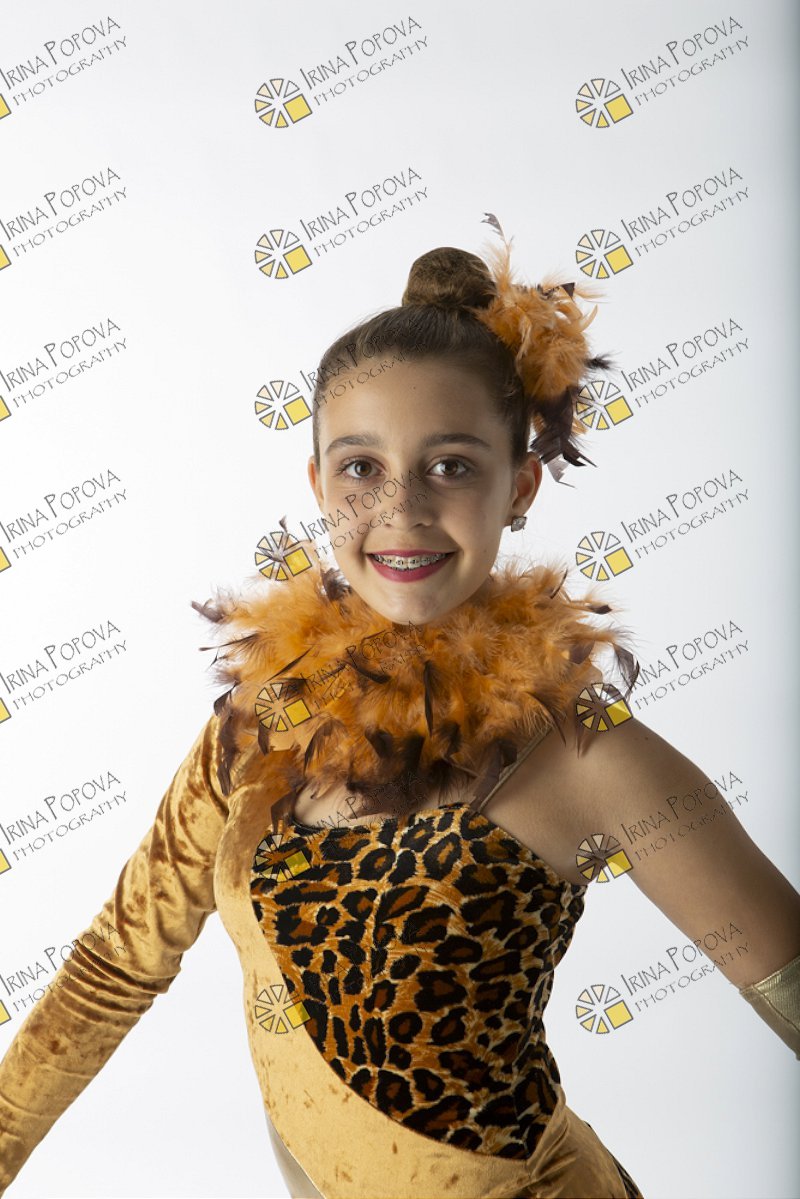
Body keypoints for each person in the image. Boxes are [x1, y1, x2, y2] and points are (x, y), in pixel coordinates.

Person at [1, 222, 798, 1199]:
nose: (401, 510)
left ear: (519, 485)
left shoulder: (587, 753)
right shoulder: (259, 723)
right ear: (318, 485)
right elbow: (113, 968)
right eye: (361, 467)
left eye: (451, 465)